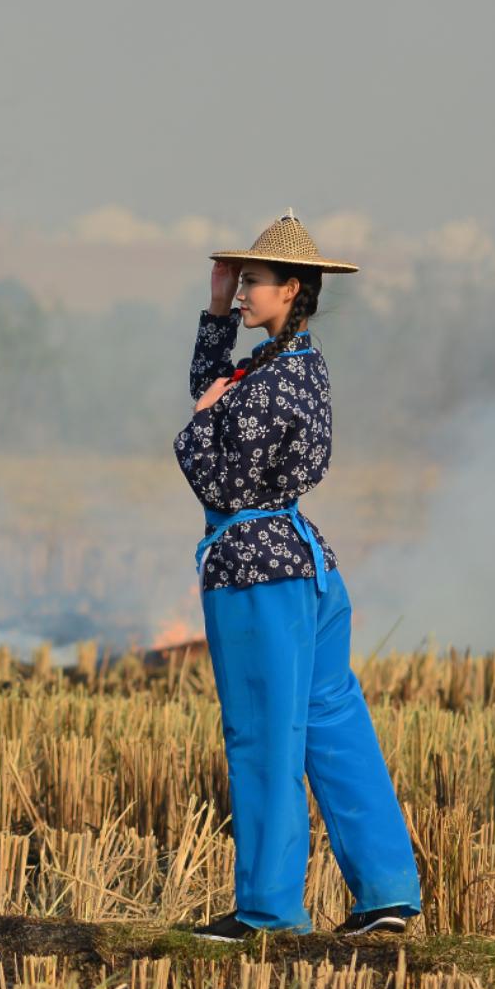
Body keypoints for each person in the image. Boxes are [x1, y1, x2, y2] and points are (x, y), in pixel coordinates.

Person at [172, 209, 424, 940]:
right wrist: (216, 313)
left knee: (263, 736)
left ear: (292, 289)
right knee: (332, 726)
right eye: (240, 278)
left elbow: (219, 479)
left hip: (257, 579)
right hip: (304, 571)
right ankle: (387, 895)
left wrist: (194, 426)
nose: (243, 290)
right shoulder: (287, 366)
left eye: (252, 281)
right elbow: (219, 392)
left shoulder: (272, 382)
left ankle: (267, 912)